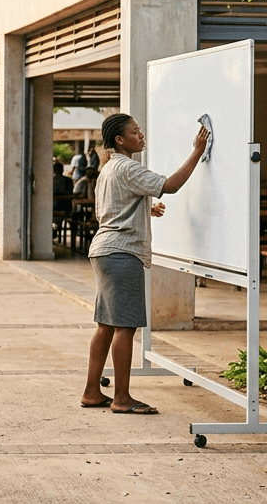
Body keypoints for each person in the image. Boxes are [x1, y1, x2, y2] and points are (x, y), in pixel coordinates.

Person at [79, 113, 209, 416]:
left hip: (104, 250)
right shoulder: (129, 166)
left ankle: (91, 392)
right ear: (119, 140)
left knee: (106, 326)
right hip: (122, 254)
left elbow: (107, 214)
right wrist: (197, 151)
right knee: (125, 327)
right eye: (134, 132)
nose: (141, 135)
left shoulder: (109, 168)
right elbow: (171, 185)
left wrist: (144, 210)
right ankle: (122, 398)